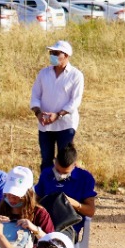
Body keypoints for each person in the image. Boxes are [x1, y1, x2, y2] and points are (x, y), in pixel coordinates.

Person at [30, 40, 83, 173]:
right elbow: (35, 95)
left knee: (65, 160)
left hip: (65, 125)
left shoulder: (76, 75)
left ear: (66, 55)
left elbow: (75, 101)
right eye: (51, 52)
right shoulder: (43, 73)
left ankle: (65, 190)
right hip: (45, 124)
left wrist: (58, 115)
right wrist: (38, 113)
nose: (52, 55)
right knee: (46, 160)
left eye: (55, 53)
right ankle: (46, 191)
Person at [36, 144, 98, 239]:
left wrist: (73, 204)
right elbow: (36, 200)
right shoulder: (47, 174)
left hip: (68, 228)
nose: (60, 175)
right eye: (57, 170)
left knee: (54, 242)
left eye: (65, 173)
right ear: (55, 161)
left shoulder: (85, 178)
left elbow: (90, 211)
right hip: (44, 223)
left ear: (74, 165)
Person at [0, 167, 55, 248]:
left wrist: (35, 230)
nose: (11, 199)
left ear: (28, 194)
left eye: (16, 195)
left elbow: (52, 242)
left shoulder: (40, 214)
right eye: (9, 194)